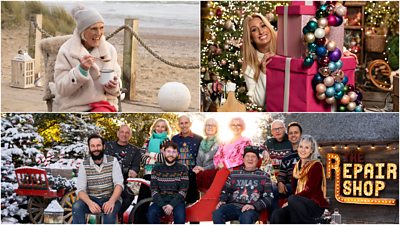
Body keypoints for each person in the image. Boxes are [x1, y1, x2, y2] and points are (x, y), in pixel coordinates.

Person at [54, 5, 121, 112]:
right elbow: (61, 89)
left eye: (101, 28)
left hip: (103, 104)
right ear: (82, 32)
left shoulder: (110, 50)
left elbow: (117, 86)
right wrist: (80, 70)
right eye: (94, 28)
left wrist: (113, 86)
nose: (99, 33)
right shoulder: (66, 51)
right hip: (75, 105)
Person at [271, 135, 328, 224]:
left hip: (314, 204)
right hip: (297, 203)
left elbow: (310, 190)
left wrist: (290, 201)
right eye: (301, 146)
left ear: (311, 150)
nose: (303, 150)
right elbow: (294, 190)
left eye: (306, 147)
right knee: (277, 214)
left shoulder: (316, 166)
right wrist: (289, 202)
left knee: (292, 199)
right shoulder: (296, 167)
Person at [212, 146, 273, 224]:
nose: (250, 159)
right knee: (217, 213)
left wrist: (254, 206)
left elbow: (269, 197)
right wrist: (222, 201)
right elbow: (225, 191)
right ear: (243, 159)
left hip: (251, 209)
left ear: (258, 160)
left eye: (253, 157)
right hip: (233, 206)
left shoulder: (264, 176)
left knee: (246, 218)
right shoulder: (234, 174)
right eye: (247, 156)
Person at [72, 134, 123, 224]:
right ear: (89, 148)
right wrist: (90, 203)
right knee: (77, 206)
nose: (96, 149)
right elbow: (80, 190)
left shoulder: (113, 161)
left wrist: (111, 201)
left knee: (109, 214)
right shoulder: (84, 165)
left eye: (98, 145)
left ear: (103, 146)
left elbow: (119, 184)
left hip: (110, 198)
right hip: (92, 199)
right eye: (93, 146)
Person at [134, 118, 171, 223]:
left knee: (158, 203)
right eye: (158, 126)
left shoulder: (167, 142)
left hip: (161, 176)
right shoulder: (147, 141)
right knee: (142, 202)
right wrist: (157, 158)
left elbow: (166, 158)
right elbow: (142, 158)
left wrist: (150, 155)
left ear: (166, 129)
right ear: (154, 127)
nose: (160, 128)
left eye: (162, 126)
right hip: (148, 174)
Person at [104, 124, 141, 222]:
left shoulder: (135, 150)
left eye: (127, 133)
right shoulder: (108, 146)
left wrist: (133, 170)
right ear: (117, 133)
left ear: (130, 135)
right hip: (107, 180)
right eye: (122, 132)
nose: (124, 135)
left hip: (122, 182)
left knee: (129, 196)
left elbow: (136, 166)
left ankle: (117, 215)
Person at [147, 142, 189, 224]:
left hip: (177, 200)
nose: (171, 154)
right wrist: (163, 205)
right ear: (164, 152)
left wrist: (171, 205)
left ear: (177, 154)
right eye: (168, 151)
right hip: (161, 199)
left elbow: (183, 190)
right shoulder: (156, 168)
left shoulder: (183, 168)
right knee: (151, 214)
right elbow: (154, 189)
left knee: (180, 217)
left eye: (174, 152)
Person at [242, 13, 277, 108]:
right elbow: (259, 102)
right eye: (254, 30)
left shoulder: (283, 46)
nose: (261, 32)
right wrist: (263, 72)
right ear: (251, 38)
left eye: (263, 26)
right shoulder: (249, 66)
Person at [262, 120, 293, 213]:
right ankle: (274, 220)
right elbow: (259, 148)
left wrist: (282, 182)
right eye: (274, 129)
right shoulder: (269, 142)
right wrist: (264, 151)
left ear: (284, 129)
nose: (277, 131)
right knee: (271, 191)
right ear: (271, 132)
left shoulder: (291, 140)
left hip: (291, 180)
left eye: (279, 128)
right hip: (277, 180)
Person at [171, 115, 203, 204]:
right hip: (177, 176)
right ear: (178, 125)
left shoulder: (199, 139)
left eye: (186, 123)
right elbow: (171, 156)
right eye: (181, 123)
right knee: (178, 202)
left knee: (192, 203)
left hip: (193, 176)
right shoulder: (174, 139)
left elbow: (202, 156)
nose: (184, 125)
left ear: (190, 124)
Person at [192, 118, 220, 192]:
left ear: (217, 128)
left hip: (214, 175)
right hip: (202, 174)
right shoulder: (202, 142)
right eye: (208, 125)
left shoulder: (220, 142)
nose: (210, 127)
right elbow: (199, 158)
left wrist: (204, 169)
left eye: (213, 125)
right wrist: (198, 168)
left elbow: (218, 161)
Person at [277, 122, 302, 198]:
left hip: (304, 186)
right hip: (289, 187)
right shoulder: (286, 157)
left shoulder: (306, 152)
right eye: (291, 133)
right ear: (288, 136)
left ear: (301, 135)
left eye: (296, 133)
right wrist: (280, 182)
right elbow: (282, 174)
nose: (293, 135)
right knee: (274, 190)